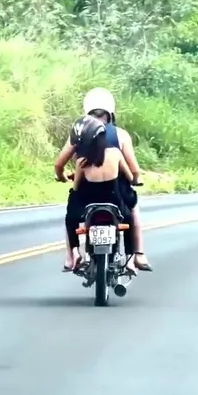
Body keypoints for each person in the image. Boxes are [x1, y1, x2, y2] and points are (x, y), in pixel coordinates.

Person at [54, 87, 153, 273]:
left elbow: (60, 165)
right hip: (115, 192)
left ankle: (71, 256)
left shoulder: (79, 135)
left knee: (71, 212)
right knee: (132, 208)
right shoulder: (120, 136)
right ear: (110, 113)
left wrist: (62, 177)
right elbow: (134, 170)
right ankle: (138, 255)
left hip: (86, 195)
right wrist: (134, 179)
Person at [61, 115, 134, 272]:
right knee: (130, 219)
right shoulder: (116, 153)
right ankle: (130, 258)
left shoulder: (81, 161)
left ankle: (75, 251)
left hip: (90, 204)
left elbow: (76, 187)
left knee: (70, 217)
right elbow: (130, 177)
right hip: (114, 203)